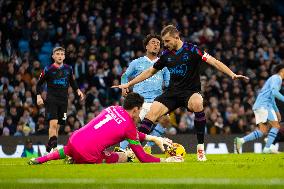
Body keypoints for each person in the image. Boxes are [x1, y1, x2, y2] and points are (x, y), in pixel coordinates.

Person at [112, 25, 249, 161]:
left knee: (198, 102)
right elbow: (149, 72)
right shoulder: (166, 55)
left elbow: (214, 62)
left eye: (167, 41)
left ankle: (200, 149)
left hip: (190, 92)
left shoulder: (192, 50)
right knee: (151, 114)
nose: (164, 45)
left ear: (176, 38)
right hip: (172, 93)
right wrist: (130, 83)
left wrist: (232, 74)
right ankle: (132, 150)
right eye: (163, 42)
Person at [28, 93, 183, 165]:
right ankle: (77, 161)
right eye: (140, 110)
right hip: (88, 154)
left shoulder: (112, 108)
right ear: (135, 109)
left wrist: (154, 138)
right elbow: (143, 157)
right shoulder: (128, 125)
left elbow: (127, 132)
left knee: (70, 149)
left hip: (74, 140)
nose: (140, 113)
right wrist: (166, 160)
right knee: (126, 156)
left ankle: (40, 159)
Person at [118, 34, 170, 151]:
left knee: (166, 120)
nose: (156, 45)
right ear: (146, 46)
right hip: (139, 101)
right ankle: (123, 150)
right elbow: (125, 76)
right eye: (153, 42)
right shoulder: (137, 62)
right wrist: (123, 87)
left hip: (156, 102)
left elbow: (168, 84)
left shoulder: (164, 64)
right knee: (129, 126)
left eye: (158, 43)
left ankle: (148, 147)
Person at [36, 47, 84, 153]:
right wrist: (39, 96)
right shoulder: (48, 69)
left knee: (58, 126)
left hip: (64, 101)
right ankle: (54, 148)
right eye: (57, 54)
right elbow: (39, 84)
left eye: (62, 54)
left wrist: (78, 90)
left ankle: (49, 147)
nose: (60, 56)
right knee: (53, 124)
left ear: (64, 56)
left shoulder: (68, 68)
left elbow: (72, 81)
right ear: (53, 56)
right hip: (51, 100)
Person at [234, 64, 284, 154]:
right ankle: (267, 148)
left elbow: (272, 98)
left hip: (260, 105)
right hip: (264, 105)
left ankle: (240, 141)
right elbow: (274, 92)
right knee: (276, 126)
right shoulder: (277, 78)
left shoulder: (273, 79)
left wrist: (276, 111)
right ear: (282, 70)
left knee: (262, 131)